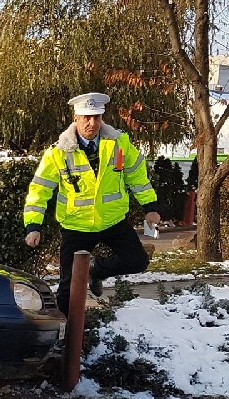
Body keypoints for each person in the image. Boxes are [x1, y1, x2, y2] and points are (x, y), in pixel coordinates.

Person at [23, 92, 160, 315]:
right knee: (68, 287)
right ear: (75, 118)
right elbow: (40, 189)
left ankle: (96, 271)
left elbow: (137, 177)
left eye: (96, 117)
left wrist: (150, 208)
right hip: (76, 226)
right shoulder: (58, 152)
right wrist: (33, 226)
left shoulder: (119, 144)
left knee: (137, 261)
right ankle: (65, 335)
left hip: (112, 221)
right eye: (86, 117)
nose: (92, 123)